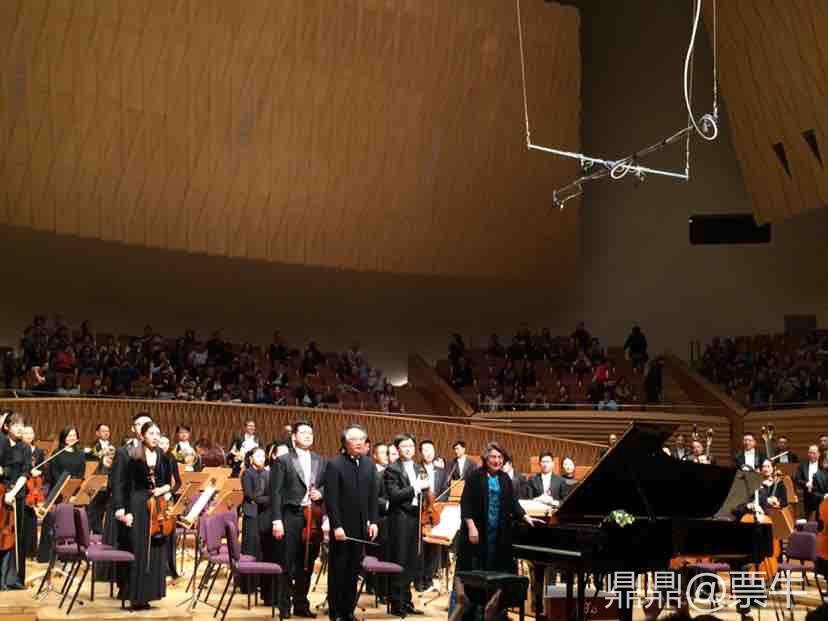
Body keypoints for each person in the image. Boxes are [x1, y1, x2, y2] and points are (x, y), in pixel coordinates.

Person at [455, 442, 539, 620]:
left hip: (497, 534)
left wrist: (526, 517)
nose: (497, 460)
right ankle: (472, 614)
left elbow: (513, 502)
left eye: (500, 457)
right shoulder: (475, 476)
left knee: (496, 571)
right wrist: (471, 527)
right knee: (474, 574)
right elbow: (466, 503)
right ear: (486, 458)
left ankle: (492, 613)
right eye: (493, 456)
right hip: (478, 532)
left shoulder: (505, 478)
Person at [271, 421, 327, 618]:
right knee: (287, 562)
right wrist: (276, 520)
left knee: (307, 562)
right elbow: (276, 493)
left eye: (310, 432)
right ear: (294, 436)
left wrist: (321, 492)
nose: (308, 435)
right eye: (303, 432)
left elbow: (326, 485)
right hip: (291, 515)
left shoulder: (320, 460)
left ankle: (301, 605)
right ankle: (284, 607)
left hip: (312, 517)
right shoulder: (283, 460)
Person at [324, 424, 379, 621]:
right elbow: (331, 499)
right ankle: (336, 613)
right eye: (353, 439)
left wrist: (373, 521)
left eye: (361, 439)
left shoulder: (369, 464)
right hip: (341, 528)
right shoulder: (335, 464)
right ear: (345, 443)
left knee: (353, 571)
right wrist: (336, 525)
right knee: (338, 570)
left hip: (361, 528)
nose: (358, 442)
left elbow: (373, 496)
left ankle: (348, 611)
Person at [117, 421, 174, 610]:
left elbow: (168, 482)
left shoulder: (163, 456)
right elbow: (125, 485)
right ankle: (135, 596)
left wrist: (163, 489)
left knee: (156, 547)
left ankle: (149, 595)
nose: (155, 437)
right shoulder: (133, 456)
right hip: (138, 504)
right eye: (151, 433)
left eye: (158, 433)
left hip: (156, 505)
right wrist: (125, 511)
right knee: (139, 549)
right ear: (142, 436)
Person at [383, 434, 429, 616]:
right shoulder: (392, 469)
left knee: (412, 560)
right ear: (397, 449)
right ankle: (396, 602)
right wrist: (416, 487)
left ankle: (407, 600)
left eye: (411, 445)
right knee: (399, 559)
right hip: (400, 518)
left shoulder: (419, 467)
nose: (408, 449)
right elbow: (394, 495)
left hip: (415, 517)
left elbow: (424, 491)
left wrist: (425, 490)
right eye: (404, 446)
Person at [37, 425, 87, 563]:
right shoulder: (57, 453)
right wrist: (64, 488)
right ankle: (46, 555)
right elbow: (54, 473)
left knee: (71, 524)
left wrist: (74, 489)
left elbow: (81, 473)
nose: (71, 438)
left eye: (74, 435)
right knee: (52, 522)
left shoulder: (80, 454)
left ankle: (69, 556)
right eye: (69, 435)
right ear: (64, 437)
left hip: (73, 492)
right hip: (58, 491)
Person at [0, 413, 38, 589]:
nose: (20, 428)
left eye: (22, 424)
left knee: (17, 536)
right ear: (6, 427)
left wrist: (13, 493)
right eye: (15, 424)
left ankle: (13, 578)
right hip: (1, 492)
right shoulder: (1, 443)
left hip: (17, 495)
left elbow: (25, 472)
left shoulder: (25, 447)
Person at [417, 439, 447, 592]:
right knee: (421, 548)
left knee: (434, 547)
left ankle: (429, 578)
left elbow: (446, 491)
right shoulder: (417, 469)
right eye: (425, 450)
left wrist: (436, 506)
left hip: (436, 514)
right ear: (420, 452)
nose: (428, 453)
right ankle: (419, 579)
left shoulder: (441, 471)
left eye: (431, 450)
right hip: (421, 513)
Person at [793, 445, 823, 519]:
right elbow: (797, 479)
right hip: (807, 493)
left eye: (814, 453)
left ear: (819, 454)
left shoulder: (823, 465)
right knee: (807, 516)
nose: (811, 455)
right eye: (810, 453)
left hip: (821, 494)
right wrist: (806, 483)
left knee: (821, 516)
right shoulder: (802, 465)